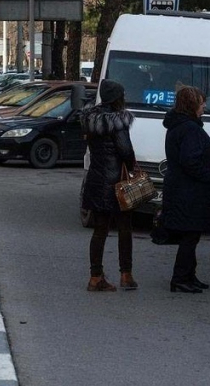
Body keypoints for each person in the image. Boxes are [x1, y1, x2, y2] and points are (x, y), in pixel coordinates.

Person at [80, 79, 137, 291]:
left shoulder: (91, 120)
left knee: (100, 230)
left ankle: (95, 276)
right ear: (118, 99)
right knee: (124, 228)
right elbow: (126, 151)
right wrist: (131, 169)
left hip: (96, 179)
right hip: (117, 183)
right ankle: (126, 274)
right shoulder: (118, 122)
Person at [161, 86, 210, 294]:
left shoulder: (178, 125)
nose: (204, 107)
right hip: (189, 190)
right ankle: (181, 277)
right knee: (190, 235)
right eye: (201, 103)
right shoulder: (190, 129)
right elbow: (189, 160)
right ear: (192, 105)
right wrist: (206, 175)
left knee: (190, 235)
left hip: (180, 187)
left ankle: (189, 275)